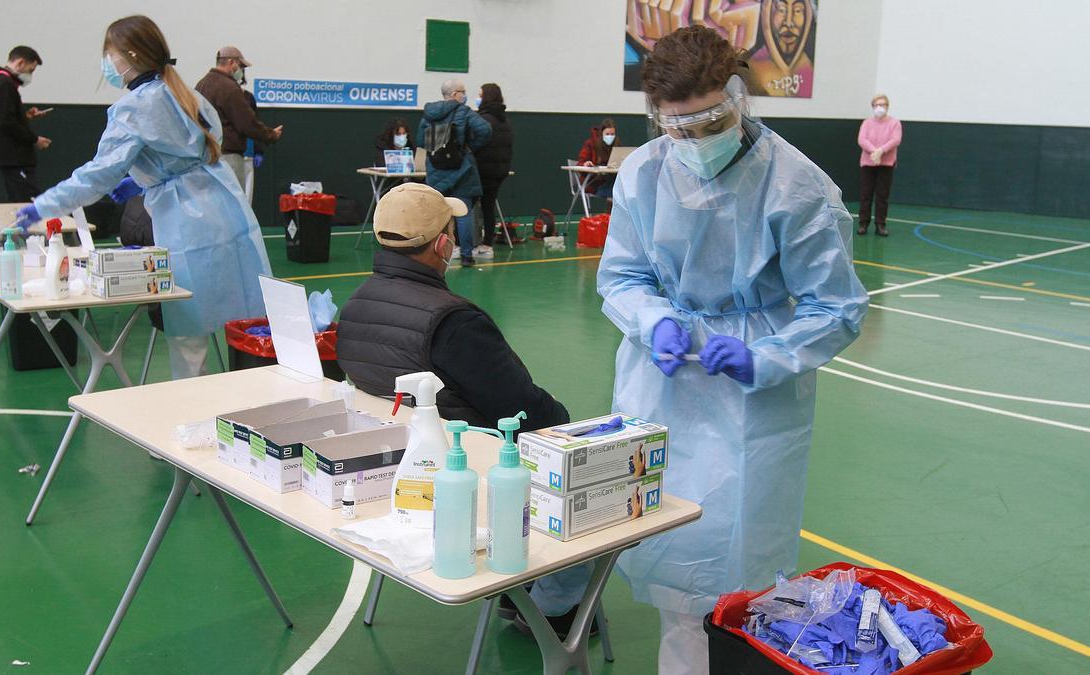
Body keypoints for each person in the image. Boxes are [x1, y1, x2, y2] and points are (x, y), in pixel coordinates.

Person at [532, 26, 868, 673]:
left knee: (745, 560)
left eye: (708, 120)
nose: (691, 139)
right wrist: (653, 319)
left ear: (738, 98)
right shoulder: (643, 172)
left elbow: (838, 306)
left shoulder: (795, 186)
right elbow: (623, 276)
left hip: (755, 401)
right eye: (676, 124)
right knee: (668, 552)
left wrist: (765, 356)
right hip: (662, 381)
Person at [15, 15, 272, 380]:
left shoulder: (133, 108)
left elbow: (97, 175)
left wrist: (44, 204)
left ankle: (194, 416)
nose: (107, 63)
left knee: (189, 331)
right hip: (225, 206)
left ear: (130, 55)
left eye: (110, 54)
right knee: (246, 320)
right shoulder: (185, 92)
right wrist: (145, 178)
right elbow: (199, 145)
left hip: (187, 222)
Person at [336, 182, 568, 431]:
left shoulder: (354, 306)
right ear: (442, 245)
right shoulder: (456, 323)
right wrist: (557, 412)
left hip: (393, 444)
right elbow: (525, 412)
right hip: (465, 453)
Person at [419, 79, 491, 267]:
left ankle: (435, 255)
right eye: (463, 91)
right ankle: (466, 256)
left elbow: (420, 139)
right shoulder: (463, 111)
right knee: (464, 214)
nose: (465, 94)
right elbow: (485, 130)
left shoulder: (429, 114)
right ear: (454, 95)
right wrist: (468, 148)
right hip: (461, 169)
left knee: (436, 215)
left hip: (436, 168)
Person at [195, 45, 283, 187]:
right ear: (232, 62)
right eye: (241, 66)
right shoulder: (229, 87)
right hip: (228, 158)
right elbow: (246, 123)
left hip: (204, 157)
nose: (241, 71)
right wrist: (270, 135)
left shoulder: (201, 85)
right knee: (233, 205)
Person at [0, 46, 52, 201]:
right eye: (31, 69)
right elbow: (6, 122)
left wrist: (25, 116)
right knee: (25, 201)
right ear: (21, 63)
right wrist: (34, 139)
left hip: (11, 158)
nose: (30, 75)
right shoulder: (5, 85)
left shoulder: (1, 84)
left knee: (20, 200)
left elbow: (6, 116)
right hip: (15, 159)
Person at [472, 83, 514, 257]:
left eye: (480, 95)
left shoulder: (482, 120)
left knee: (470, 206)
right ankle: (487, 244)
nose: (478, 98)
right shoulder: (505, 120)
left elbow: (477, 145)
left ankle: (468, 243)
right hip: (499, 172)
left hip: (482, 171)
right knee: (489, 207)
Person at [857, 93, 902, 237]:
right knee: (866, 194)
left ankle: (880, 224)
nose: (879, 108)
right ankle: (863, 223)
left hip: (886, 164)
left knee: (882, 195)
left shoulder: (895, 123)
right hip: (868, 163)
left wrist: (881, 151)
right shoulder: (867, 123)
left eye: (882, 105)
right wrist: (873, 152)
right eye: (876, 105)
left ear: (887, 106)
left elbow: (895, 139)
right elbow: (862, 139)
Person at [577, 118, 618, 204]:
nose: (610, 137)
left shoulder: (616, 143)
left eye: (612, 134)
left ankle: (610, 213)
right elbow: (580, 163)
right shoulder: (590, 144)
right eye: (607, 134)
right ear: (601, 133)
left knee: (618, 185)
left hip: (611, 180)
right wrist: (585, 164)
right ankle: (610, 213)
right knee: (616, 190)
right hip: (594, 183)